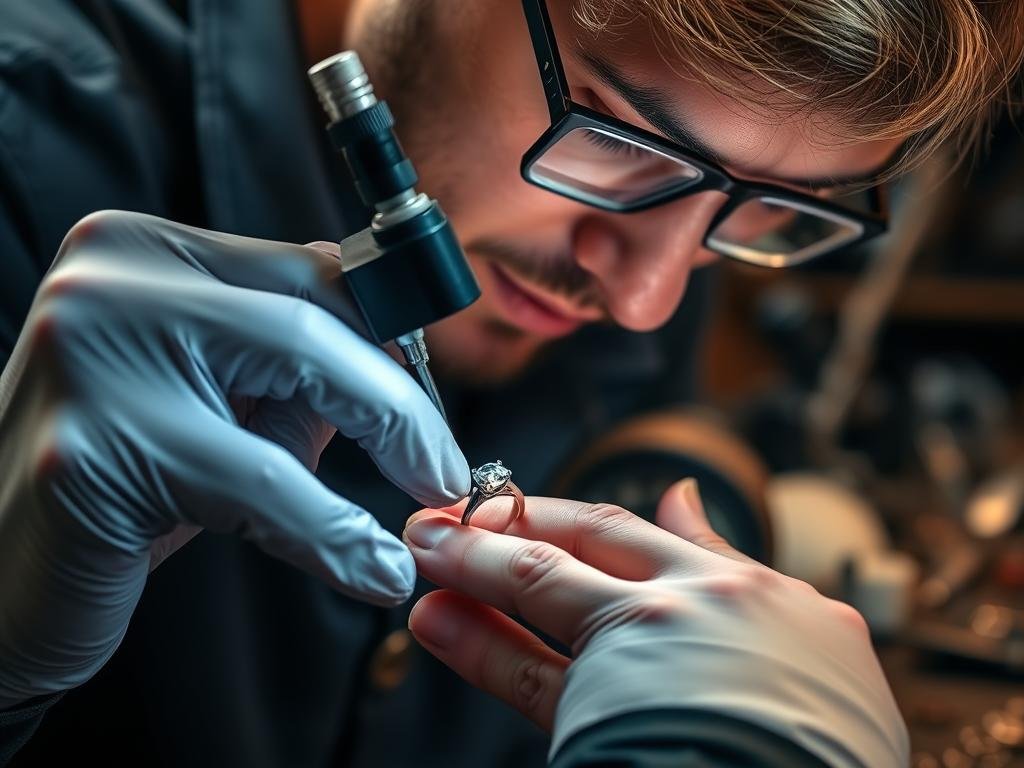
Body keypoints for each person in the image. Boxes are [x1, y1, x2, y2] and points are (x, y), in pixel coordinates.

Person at [0, 0, 1019, 765]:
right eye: (618, 138)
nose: (647, 300)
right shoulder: (30, 127)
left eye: (770, 209)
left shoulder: (660, 220)